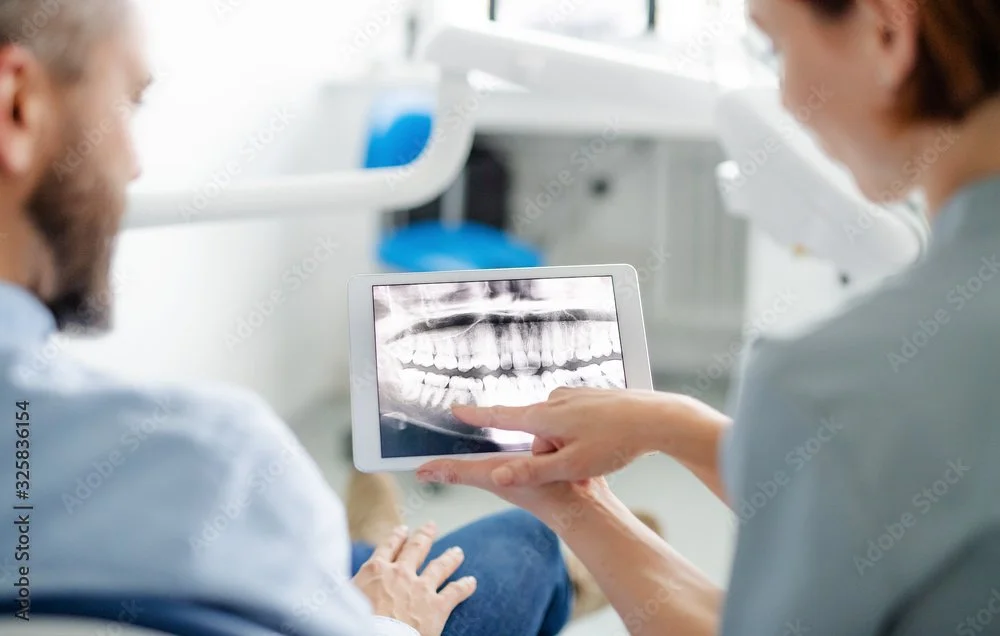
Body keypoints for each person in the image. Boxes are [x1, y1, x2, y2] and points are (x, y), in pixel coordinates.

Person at [0, 1, 667, 634]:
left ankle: (374, 543)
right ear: (18, 107)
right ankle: (548, 576)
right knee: (523, 547)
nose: (135, 163)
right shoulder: (211, 457)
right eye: (127, 103)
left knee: (388, 559)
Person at [418, 0, 1000, 634]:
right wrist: (677, 424)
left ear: (888, 32)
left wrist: (576, 507)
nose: (785, 92)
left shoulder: (826, 383)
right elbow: (894, 495)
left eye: (776, 47)